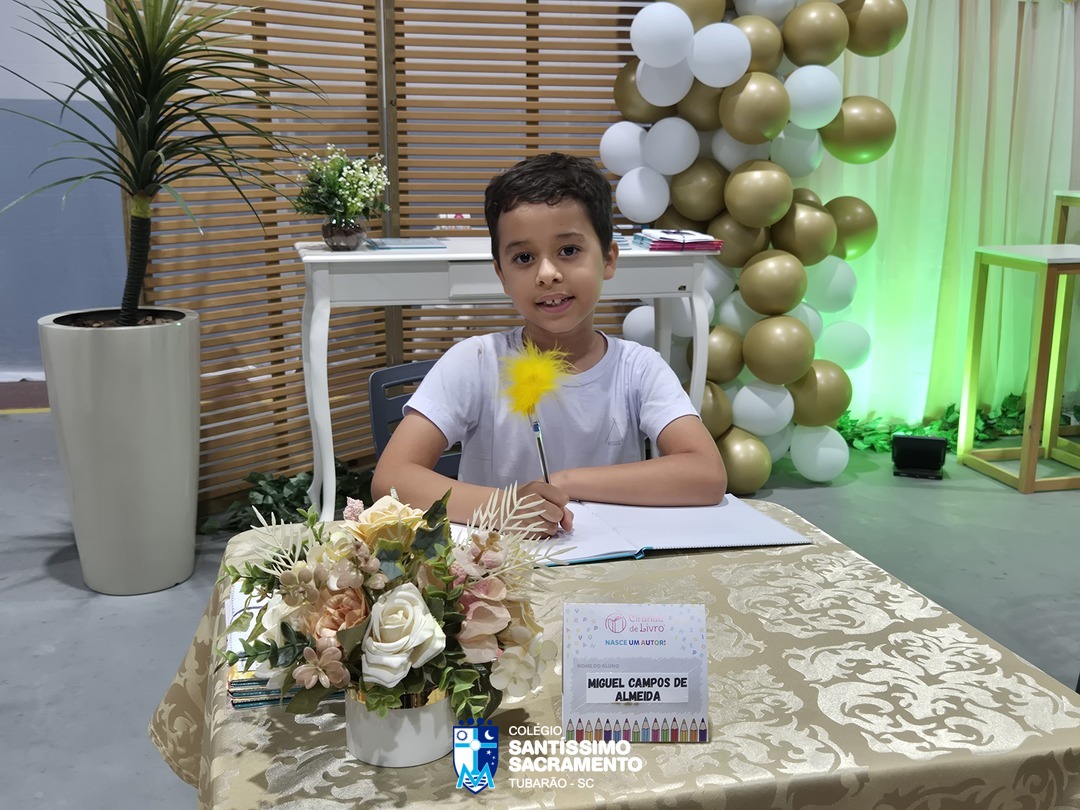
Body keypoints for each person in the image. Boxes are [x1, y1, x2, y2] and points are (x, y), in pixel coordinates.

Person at [371, 152, 726, 534]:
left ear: (608, 259)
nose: (547, 274)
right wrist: (504, 507)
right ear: (502, 275)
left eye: (569, 251)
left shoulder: (638, 368)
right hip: (500, 563)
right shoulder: (475, 361)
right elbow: (390, 480)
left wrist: (565, 481)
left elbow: (706, 474)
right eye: (524, 257)